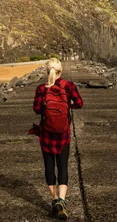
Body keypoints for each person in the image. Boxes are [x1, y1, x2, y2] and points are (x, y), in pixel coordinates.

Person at [32, 58, 83, 220]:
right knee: (63, 167)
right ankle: (62, 199)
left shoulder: (41, 88)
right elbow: (80, 103)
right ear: (61, 71)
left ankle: (54, 200)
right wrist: (69, 106)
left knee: (49, 166)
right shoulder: (68, 86)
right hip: (63, 133)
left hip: (46, 133)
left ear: (47, 71)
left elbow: (37, 109)